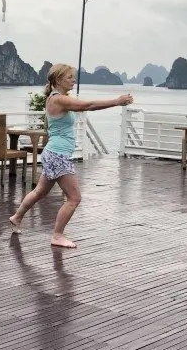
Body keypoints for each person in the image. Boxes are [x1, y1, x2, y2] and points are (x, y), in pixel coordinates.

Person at [8, 63, 133, 248]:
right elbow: (88, 105)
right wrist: (117, 101)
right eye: (69, 77)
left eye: (73, 77)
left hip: (53, 153)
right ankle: (57, 236)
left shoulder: (56, 98)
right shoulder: (58, 99)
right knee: (74, 198)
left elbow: (57, 124)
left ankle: (17, 217)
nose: (73, 80)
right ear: (58, 80)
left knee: (40, 191)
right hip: (58, 155)